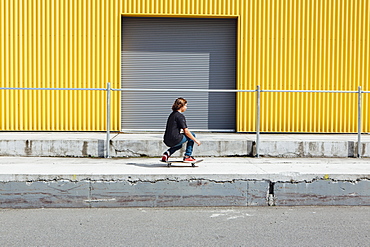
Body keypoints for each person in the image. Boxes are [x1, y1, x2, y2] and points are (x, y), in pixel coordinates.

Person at [162, 98, 201, 162]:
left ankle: (167, 153)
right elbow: (186, 132)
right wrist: (196, 140)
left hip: (166, 140)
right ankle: (187, 156)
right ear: (181, 106)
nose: (186, 107)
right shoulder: (180, 116)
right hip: (175, 139)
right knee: (192, 135)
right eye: (185, 106)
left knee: (179, 145)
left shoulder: (172, 115)